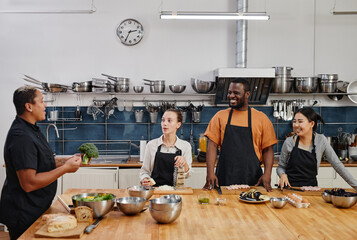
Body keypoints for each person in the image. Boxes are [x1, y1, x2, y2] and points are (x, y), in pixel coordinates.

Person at [0, 86, 81, 240]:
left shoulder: (31, 129)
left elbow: (42, 162)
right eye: (42, 101)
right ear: (29, 106)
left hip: (35, 208)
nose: (45, 105)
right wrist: (65, 168)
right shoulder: (21, 137)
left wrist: (67, 160)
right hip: (23, 213)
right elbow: (29, 183)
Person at [203, 79, 277, 191]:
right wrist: (210, 173)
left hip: (252, 177)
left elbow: (268, 150)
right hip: (224, 176)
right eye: (229, 92)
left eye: (236, 93)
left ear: (247, 94)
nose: (231, 96)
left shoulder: (261, 119)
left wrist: (267, 174)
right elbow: (212, 146)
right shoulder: (220, 116)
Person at [277, 107, 357, 189]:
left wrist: (355, 185)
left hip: (311, 190)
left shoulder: (321, 140)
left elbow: (337, 165)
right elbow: (281, 167)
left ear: (312, 124)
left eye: (300, 121)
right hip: (290, 188)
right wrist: (282, 175)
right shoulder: (289, 142)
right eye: (294, 121)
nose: (296, 125)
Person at [140, 109, 192, 187]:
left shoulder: (185, 146)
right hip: (155, 192)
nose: (164, 123)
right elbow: (144, 172)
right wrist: (145, 179)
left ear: (178, 124)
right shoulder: (151, 145)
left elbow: (187, 175)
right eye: (163, 120)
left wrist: (184, 164)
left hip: (177, 192)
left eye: (169, 120)